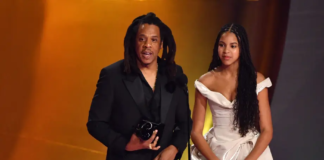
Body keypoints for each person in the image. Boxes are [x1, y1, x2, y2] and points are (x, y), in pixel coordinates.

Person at [86, 12, 192, 160]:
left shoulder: (173, 74)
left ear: (161, 44)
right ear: (133, 42)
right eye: (142, 39)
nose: (147, 45)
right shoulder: (112, 75)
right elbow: (95, 123)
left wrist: (174, 148)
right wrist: (125, 144)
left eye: (154, 40)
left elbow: (185, 122)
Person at [190, 23, 273, 160]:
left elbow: (267, 130)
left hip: (250, 150)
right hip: (215, 150)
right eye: (222, 45)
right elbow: (196, 132)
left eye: (233, 46)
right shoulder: (205, 82)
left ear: (242, 48)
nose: (226, 51)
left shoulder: (257, 80)